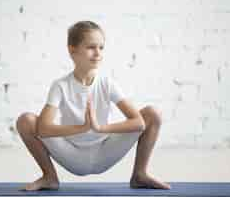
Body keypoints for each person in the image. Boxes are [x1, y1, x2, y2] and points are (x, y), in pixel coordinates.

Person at [16, 21, 171, 191]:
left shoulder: (107, 83)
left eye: (101, 47)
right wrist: (82, 128)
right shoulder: (60, 86)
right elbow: (43, 129)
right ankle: (50, 177)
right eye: (91, 47)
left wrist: (100, 128)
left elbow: (139, 123)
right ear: (72, 49)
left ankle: (140, 174)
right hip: (72, 154)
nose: (98, 53)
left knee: (153, 114)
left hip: (105, 151)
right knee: (26, 120)